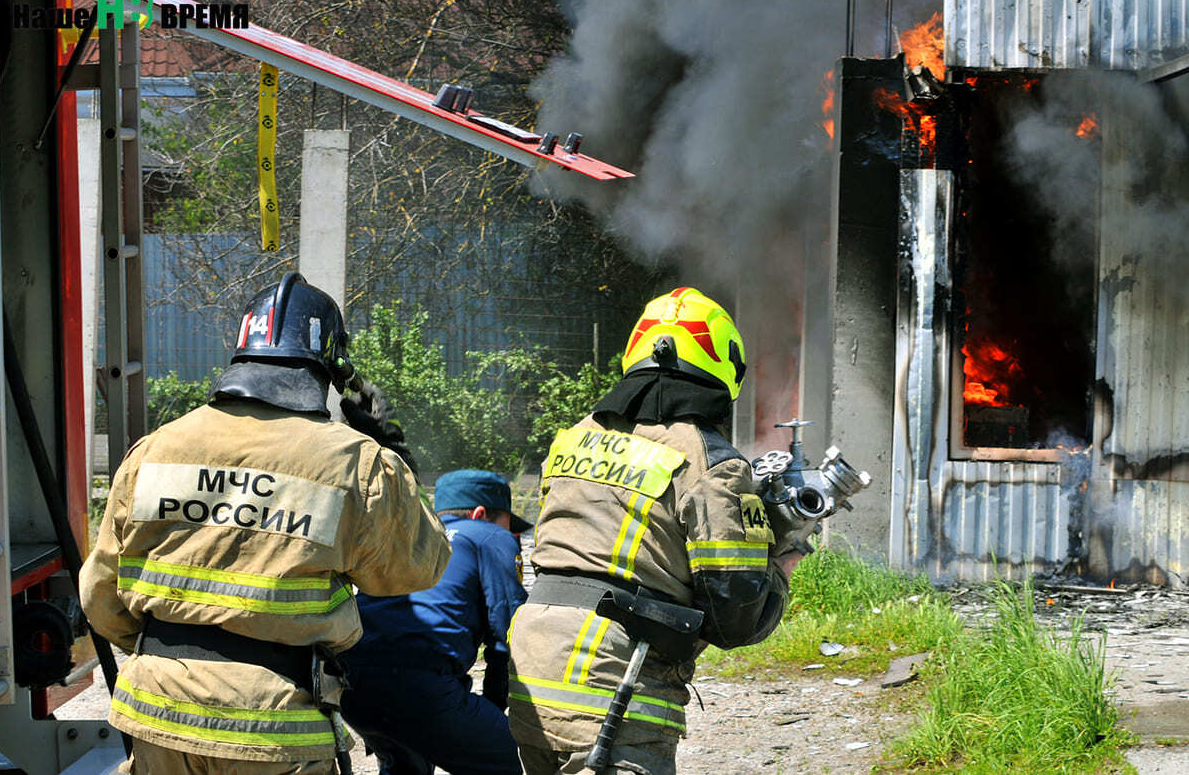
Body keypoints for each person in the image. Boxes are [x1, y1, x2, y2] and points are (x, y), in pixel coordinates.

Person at [79, 272, 451, 775]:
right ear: (335, 366)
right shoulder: (356, 462)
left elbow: (101, 595)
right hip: (273, 729)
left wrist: (175, 661)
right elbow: (416, 569)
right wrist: (392, 452)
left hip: (159, 715)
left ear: (240, 352)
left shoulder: (156, 448)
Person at [507, 287, 803, 775]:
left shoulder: (574, 438)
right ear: (722, 365)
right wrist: (781, 559)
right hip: (611, 682)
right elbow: (735, 616)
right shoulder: (710, 462)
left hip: (534, 667)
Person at [340, 469, 532, 775]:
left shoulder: (403, 536)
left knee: (407, 763)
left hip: (350, 686)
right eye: (509, 524)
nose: (513, 535)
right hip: (419, 686)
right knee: (520, 759)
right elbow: (508, 628)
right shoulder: (488, 535)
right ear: (480, 513)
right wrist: (494, 706)